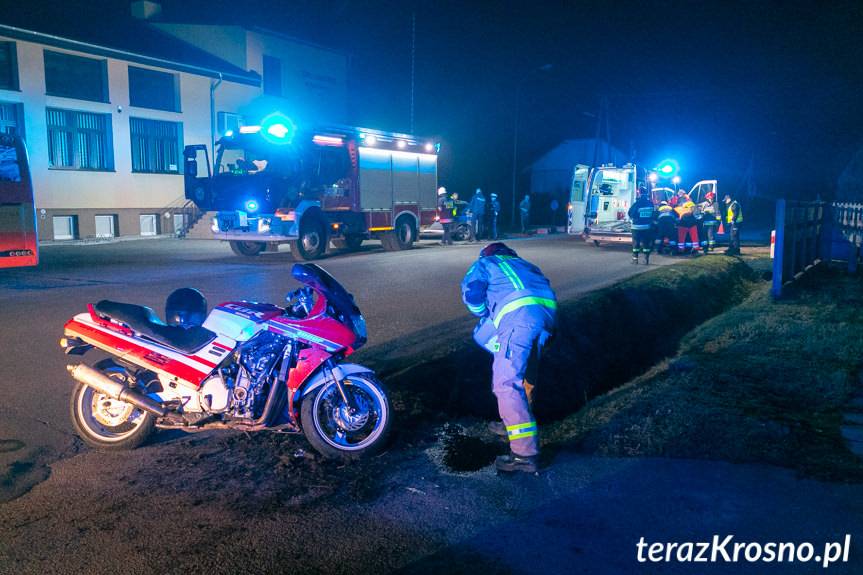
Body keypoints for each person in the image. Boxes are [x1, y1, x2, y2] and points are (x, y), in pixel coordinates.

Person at [461, 242, 557, 473]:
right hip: (547, 317)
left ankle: (525, 455)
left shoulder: (485, 263)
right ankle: (511, 425)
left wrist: (484, 314)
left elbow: (472, 293)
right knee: (526, 376)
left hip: (518, 319)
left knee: (505, 384)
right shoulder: (527, 265)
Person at [628, 186, 656, 264]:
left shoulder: (637, 204)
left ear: (639, 193)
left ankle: (635, 259)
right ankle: (646, 259)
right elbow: (653, 214)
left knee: (636, 243)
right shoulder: (650, 204)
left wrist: (636, 218)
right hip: (647, 227)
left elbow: (631, 213)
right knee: (646, 243)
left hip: (636, 227)